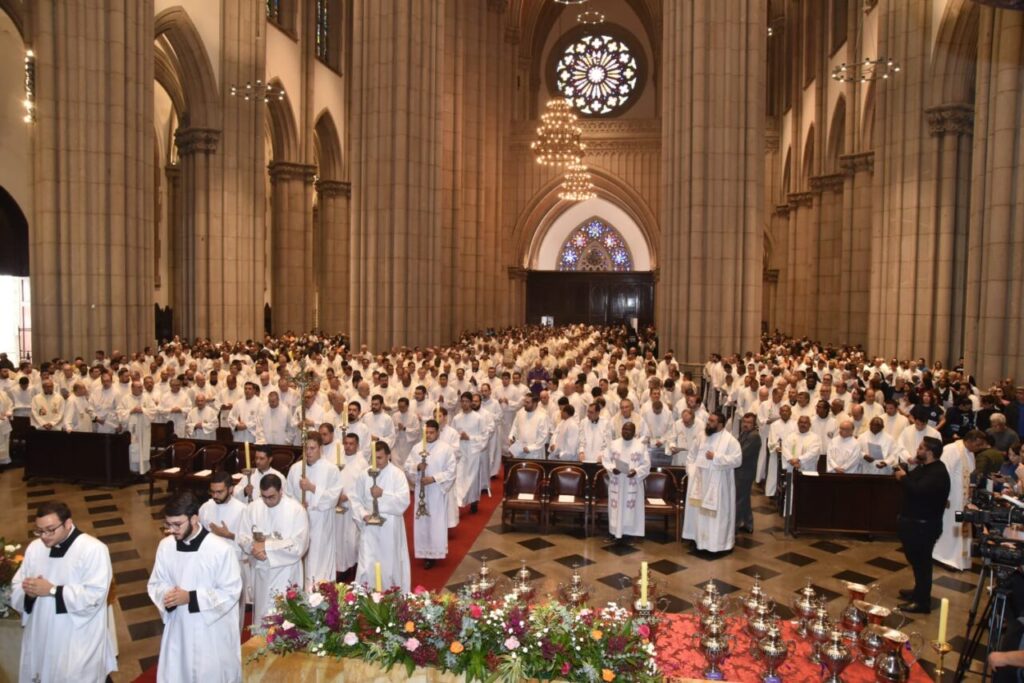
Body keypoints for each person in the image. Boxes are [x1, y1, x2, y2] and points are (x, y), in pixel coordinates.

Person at [11, 501, 116, 683]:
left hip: (76, 636)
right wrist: (29, 593)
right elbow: (17, 584)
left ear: (68, 523)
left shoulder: (93, 549)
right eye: (39, 531)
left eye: (50, 530)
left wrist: (52, 590)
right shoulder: (35, 548)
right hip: (41, 633)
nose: (44, 536)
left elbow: (95, 596)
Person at [147, 492, 242, 682]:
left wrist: (190, 597)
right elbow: (157, 582)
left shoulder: (220, 549)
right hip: (179, 628)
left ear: (194, 518)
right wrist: (168, 595)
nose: (172, 530)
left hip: (210, 631)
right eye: (168, 524)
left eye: (177, 524)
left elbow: (231, 592)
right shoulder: (166, 546)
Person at [237, 474, 309, 624]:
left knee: (285, 619)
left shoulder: (296, 510)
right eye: (264, 497)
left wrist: (266, 547)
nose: (267, 501)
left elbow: (299, 546)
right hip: (261, 573)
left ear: (281, 491)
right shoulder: (253, 508)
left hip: (286, 573)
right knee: (262, 617)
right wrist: (253, 548)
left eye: (271, 497)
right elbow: (242, 537)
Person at [895, 437, 951, 614]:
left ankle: (922, 602)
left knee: (922, 564)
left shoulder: (937, 472)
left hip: (924, 527)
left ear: (930, 452)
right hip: (914, 524)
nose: (917, 450)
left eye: (920, 448)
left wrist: (903, 478)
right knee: (916, 561)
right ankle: (918, 591)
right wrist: (905, 472)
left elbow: (918, 491)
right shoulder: (925, 467)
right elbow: (914, 482)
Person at [350, 441, 411, 592]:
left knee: (389, 565)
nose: (376, 462)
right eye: (373, 458)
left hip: (390, 527)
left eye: (380, 458)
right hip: (369, 527)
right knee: (367, 563)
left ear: (388, 456)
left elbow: (404, 500)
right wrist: (363, 514)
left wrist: (383, 494)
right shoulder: (364, 474)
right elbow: (355, 498)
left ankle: (391, 593)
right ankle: (366, 594)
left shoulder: (397, 474)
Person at [286, 431, 343, 589]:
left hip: (321, 520)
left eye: (313, 448)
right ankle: (300, 590)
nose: (308, 452)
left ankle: (320, 591)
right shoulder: (295, 469)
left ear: (320, 449)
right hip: (299, 521)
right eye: (306, 448)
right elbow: (288, 495)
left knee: (319, 557)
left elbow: (333, 497)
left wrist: (312, 488)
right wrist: (298, 506)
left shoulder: (331, 469)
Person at [685, 411, 743, 553]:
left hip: (719, 485)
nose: (708, 423)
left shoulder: (730, 440)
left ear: (720, 424)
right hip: (700, 483)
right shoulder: (701, 436)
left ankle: (718, 545)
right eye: (708, 420)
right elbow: (691, 455)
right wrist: (692, 472)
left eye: (712, 421)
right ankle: (699, 541)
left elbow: (737, 460)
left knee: (717, 517)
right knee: (699, 514)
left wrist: (716, 457)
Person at [404, 419, 457, 569]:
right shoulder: (417, 448)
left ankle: (434, 552)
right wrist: (417, 467)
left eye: (432, 432)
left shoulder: (445, 449)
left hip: (436, 492)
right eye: (426, 432)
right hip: (421, 492)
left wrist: (433, 479)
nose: (428, 435)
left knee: (435, 522)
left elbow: (451, 471)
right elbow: (407, 467)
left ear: (438, 432)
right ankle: (423, 552)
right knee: (422, 523)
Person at [933, 429, 986, 571]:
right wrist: (943, 496)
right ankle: (944, 556)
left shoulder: (970, 453)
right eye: (978, 444)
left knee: (960, 526)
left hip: (962, 500)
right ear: (969, 440)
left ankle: (959, 559)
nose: (979, 448)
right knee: (950, 527)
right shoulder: (951, 450)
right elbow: (942, 474)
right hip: (951, 499)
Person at [601, 422, 650, 543]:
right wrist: (612, 469)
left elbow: (646, 464)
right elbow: (605, 459)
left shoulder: (640, 446)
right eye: (624, 429)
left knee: (631, 509)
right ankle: (614, 532)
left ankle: (630, 534)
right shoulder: (613, 444)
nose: (626, 432)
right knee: (615, 509)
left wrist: (636, 471)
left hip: (632, 483)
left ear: (634, 432)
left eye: (629, 430)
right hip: (617, 482)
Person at [335, 432, 368, 581]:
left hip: (354, 506)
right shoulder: (338, 460)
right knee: (340, 538)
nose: (348, 446)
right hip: (339, 505)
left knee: (353, 539)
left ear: (357, 445)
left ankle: (355, 565)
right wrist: (336, 495)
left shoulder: (362, 463)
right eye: (346, 443)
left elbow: (363, 485)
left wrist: (347, 495)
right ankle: (342, 567)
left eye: (351, 444)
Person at [451, 392, 487, 513]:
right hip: (460, 451)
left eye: (467, 401)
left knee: (472, 477)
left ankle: (473, 501)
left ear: (471, 402)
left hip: (473, 451)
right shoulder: (456, 418)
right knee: (460, 477)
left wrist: (469, 438)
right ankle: (458, 502)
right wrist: (459, 437)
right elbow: (452, 435)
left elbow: (484, 435)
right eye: (463, 401)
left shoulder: (478, 418)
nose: (464, 404)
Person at [117, 380, 157, 474]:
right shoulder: (125, 398)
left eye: (141, 387)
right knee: (133, 448)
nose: (141, 389)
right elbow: (119, 412)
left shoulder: (147, 397)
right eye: (138, 387)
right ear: (132, 388)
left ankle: (144, 471)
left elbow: (154, 411)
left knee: (143, 448)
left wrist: (143, 410)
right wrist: (131, 411)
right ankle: (133, 471)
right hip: (132, 429)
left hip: (144, 428)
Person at [735, 413, 762, 533]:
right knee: (744, 498)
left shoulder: (754, 436)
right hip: (741, 471)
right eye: (744, 422)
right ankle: (748, 523)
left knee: (739, 499)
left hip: (745, 473)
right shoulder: (744, 433)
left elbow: (742, 453)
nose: (745, 424)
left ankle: (734, 526)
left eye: (749, 422)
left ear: (754, 424)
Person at [508, 392, 551, 459]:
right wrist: (511, 437)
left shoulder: (542, 416)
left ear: (535, 403)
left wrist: (531, 448)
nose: (524, 404)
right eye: (524, 401)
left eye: (527, 402)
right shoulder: (520, 413)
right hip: (519, 451)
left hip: (535, 453)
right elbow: (515, 427)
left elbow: (543, 436)